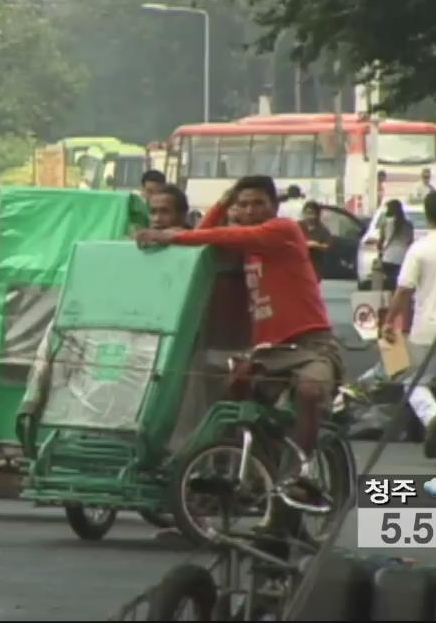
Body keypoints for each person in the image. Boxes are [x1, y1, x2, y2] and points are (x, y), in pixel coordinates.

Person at [141, 175, 342, 514]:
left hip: (311, 345)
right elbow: (208, 235)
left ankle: (302, 472)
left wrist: (169, 235)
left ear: (274, 207)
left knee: (308, 391)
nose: (249, 211)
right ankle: (246, 477)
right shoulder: (243, 245)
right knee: (229, 407)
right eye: (243, 204)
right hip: (266, 353)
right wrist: (222, 202)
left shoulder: (283, 231)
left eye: (258, 204)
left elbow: (222, 233)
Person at [382, 190, 436, 466]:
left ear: (428, 215)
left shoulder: (420, 248)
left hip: (427, 326)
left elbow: (403, 290)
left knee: (412, 380)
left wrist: (389, 321)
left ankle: (432, 415)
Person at [377, 199, 413, 289]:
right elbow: (410, 242)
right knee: (401, 283)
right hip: (403, 258)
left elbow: (380, 242)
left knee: (389, 283)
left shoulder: (385, 223)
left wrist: (380, 251)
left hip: (388, 257)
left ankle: (390, 300)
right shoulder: (408, 225)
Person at [298, 201, 332, 281]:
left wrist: (316, 245)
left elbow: (327, 246)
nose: (309, 216)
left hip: (315, 268)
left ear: (317, 215)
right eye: (307, 213)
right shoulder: (297, 226)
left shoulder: (322, 230)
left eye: (312, 213)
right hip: (299, 268)